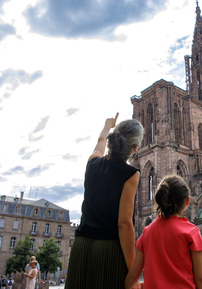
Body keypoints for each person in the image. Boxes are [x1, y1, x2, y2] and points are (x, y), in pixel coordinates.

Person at [65, 113, 144, 289]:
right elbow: (124, 223)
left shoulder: (92, 163)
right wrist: (132, 272)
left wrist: (108, 125)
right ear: (135, 148)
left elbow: (100, 141)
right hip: (109, 249)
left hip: (81, 245)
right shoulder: (131, 174)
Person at [125, 175, 202, 289]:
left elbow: (133, 275)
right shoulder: (191, 232)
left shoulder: (147, 232)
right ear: (187, 201)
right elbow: (201, 278)